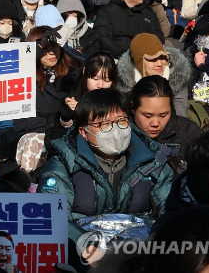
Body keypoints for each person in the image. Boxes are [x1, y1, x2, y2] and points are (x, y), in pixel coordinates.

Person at [37, 88, 174, 253]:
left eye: (121, 121)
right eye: (102, 124)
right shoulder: (63, 165)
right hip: (82, 258)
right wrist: (87, 248)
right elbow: (53, 218)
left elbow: (172, 211)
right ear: (83, 132)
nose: (114, 130)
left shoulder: (153, 162)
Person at [131, 76, 201, 175]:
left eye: (163, 115)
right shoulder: (122, 135)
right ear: (132, 108)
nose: (155, 123)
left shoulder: (189, 133)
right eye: (147, 116)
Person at [118, 33, 194, 117]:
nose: (159, 63)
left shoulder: (176, 77)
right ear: (139, 62)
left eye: (162, 57)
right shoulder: (125, 83)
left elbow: (180, 114)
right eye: (153, 59)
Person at [94, 0, 164, 59]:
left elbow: (157, 38)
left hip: (142, 59)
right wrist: (122, 56)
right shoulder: (107, 11)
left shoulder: (148, 14)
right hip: (113, 59)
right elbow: (102, 37)